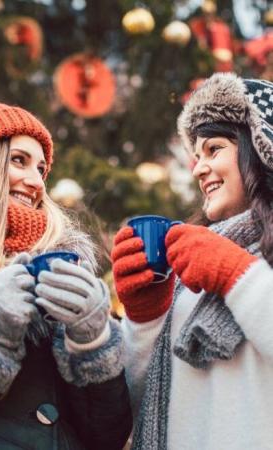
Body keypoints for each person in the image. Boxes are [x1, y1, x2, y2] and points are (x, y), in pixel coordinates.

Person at [0, 91, 132, 449]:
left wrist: (93, 341)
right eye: (18, 160)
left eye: (40, 168)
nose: (37, 182)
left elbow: (108, 436)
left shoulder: (66, 269)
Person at [111, 73, 273, 450]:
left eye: (213, 149)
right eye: (195, 156)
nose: (198, 168)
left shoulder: (227, 266)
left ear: (261, 148)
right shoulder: (190, 271)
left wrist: (238, 276)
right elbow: (142, 400)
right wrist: (145, 319)